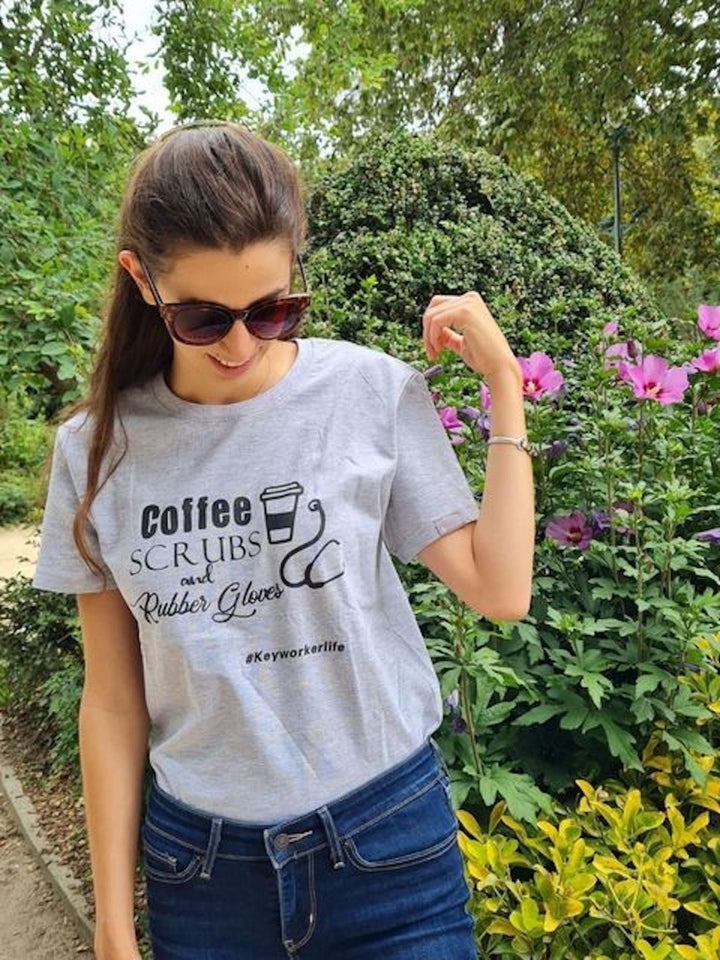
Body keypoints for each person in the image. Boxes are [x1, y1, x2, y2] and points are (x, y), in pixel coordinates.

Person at [33, 121, 535, 960]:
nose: (239, 342)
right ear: (140, 279)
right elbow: (114, 702)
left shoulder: (369, 393)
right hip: (203, 876)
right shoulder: (94, 452)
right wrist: (116, 926)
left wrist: (506, 387)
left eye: (271, 309)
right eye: (201, 316)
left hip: (390, 853)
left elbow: (499, 590)